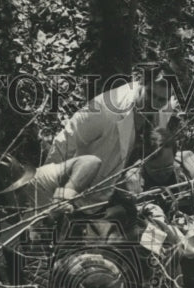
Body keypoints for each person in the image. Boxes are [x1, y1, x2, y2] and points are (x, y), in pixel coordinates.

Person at [45, 63, 180, 202]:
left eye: (161, 99)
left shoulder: (166, 105)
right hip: (78, 188)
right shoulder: (104, 109)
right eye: (150, 94)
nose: (154, 103)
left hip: (113, 187)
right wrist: (45, 191)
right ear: (141, 83)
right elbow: (65, 142)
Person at [0, 154, 103, 281]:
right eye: (15, 192)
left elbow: (91, 161)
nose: (24, 193)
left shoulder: (39, 180)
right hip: (44, 275)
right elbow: (7, 280)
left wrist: (65, 194)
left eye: (22, 186)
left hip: (74, 246)